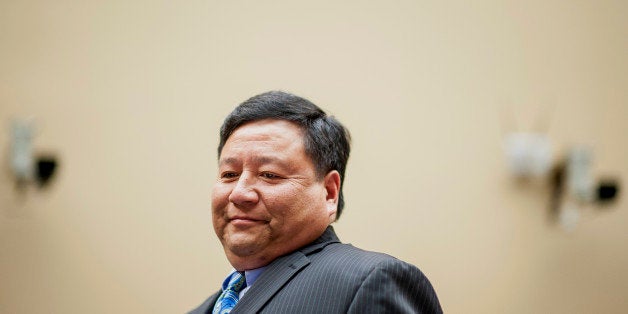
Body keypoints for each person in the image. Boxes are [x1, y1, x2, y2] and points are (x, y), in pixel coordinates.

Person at [190, 91, 442, 314]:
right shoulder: (205, 309)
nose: (239, 193)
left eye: (269, 175)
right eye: (229, 175)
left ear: (330, 192)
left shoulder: (370, 281)